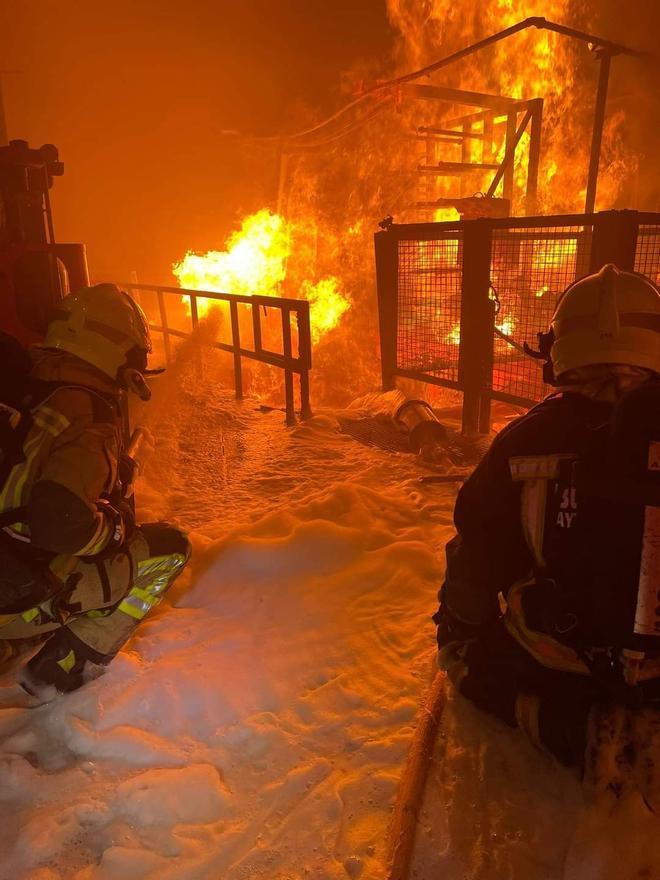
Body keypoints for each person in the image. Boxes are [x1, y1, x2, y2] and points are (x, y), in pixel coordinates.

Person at [434, 264, 660, 768]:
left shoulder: (526, 441)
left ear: (559, 351)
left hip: (554, 660)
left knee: (465, 664)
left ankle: (570, 731)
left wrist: (459, 628)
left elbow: (476, 551)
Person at [0, 283, 191, 696]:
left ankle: (12, 643)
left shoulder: (23, 385)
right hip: (9, 589)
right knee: (169, 548)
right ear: (114, 349)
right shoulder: (86, 413)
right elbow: (59, 522)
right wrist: (114, 530)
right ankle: (58, 676)